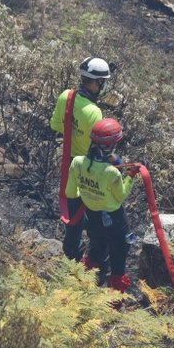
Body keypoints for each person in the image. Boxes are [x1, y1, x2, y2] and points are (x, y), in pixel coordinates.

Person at [50, 57, 115, 262]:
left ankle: (71, 254)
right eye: (103, 82)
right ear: (96, 83)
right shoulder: (94, 112)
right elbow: (97, 144)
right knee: (97, 218)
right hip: (87, 168)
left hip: (69, 166)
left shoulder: (66, 96)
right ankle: (94, 261)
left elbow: (56, 125)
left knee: (73, 216)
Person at [65, 118, 139, 292]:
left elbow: (70, 193)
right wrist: (130, 176)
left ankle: (84, 288)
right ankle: (113, 304)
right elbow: (120, 196)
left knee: (96, 250)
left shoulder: (77, 163)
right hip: (115, 220)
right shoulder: (111, 172)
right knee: (119, 260)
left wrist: (90, 193)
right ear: (111, 145)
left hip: (92, 217)